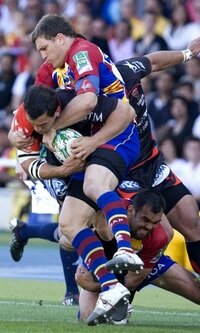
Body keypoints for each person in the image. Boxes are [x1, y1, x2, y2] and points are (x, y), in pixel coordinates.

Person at [11, 85, 143, 325]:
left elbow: (125, 112)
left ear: (57, 113)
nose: (37, 130)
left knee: (100, 222)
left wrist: (93, 141)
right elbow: (28, 162)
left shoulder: (79, 104)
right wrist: (61, 169)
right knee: (67, 228)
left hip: (107, 154)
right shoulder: (25, 118)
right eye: (33, 123)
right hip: (66, 172)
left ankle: (123, 261)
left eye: (42, 124)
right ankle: (111, 288)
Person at [75, 189, 200, 323]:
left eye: (155, 222)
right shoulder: (109, 214)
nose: (149, 227)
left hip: (146, 265)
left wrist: (93, 286)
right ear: (130, 211)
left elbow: (132, 281)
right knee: (88, 316)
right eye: (145, 219)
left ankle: (119, 302)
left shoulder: (158, 237)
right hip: (107, 264)